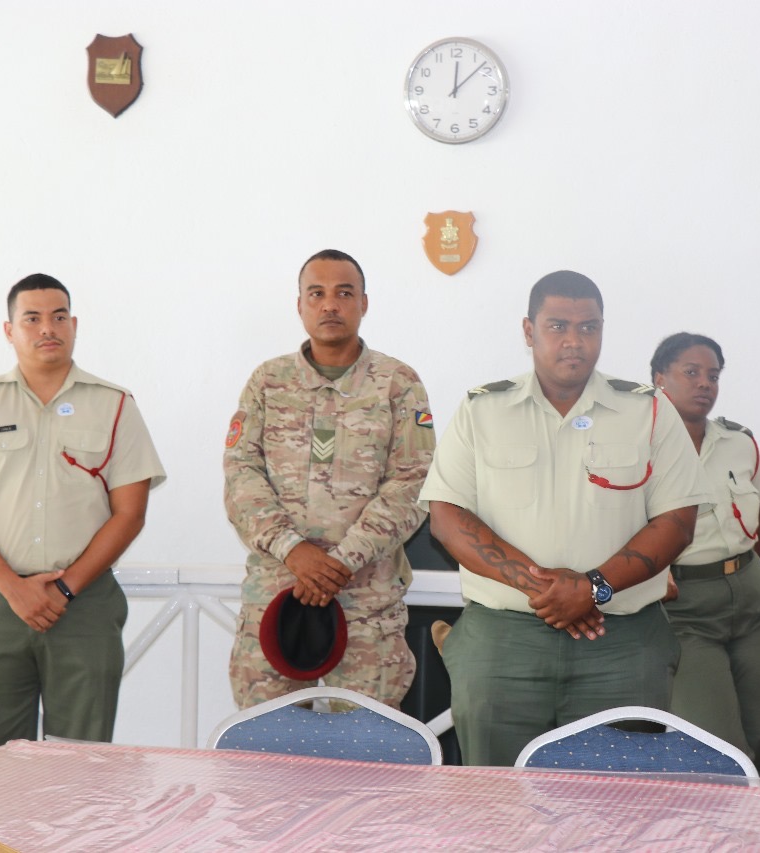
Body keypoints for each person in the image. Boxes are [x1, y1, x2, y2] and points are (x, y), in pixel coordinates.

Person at [420, 270, 712, 766]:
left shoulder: (649, 410)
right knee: (497, 796)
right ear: (529, 331)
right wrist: (552, 591)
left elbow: (678, 521)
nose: (574, 341)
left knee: (616, 799)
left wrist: (592, 588)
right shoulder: (482, 409)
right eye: (557, 326)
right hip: (504, 642)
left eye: (588, 327)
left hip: (620, 642)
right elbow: (446, 518)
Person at [0, 274, 165, 752]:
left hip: (83, 604)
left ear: (74, 325)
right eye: (31, 319)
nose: (47, 328)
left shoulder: (115, 405)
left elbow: (130, 513)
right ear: (9, 331)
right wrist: (14, 588)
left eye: (58, 317)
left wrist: (66, 587)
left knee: (81, 760)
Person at [224, 249, 435, 709]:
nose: (330, 305)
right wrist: (293, 550)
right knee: (265, 745)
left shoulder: (397, 383)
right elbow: (241, 476)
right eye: (316, 294)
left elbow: (413, 483)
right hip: (276, 596)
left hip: (367, 604)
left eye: (344, 293)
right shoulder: (268, 382)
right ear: (300, 305)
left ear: (364, 303)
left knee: (366, 748)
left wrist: (340, 563)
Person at [650, 332, 760, 778]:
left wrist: (747, 571)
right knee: (717, 745)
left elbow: (759, 513)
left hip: (753, 599)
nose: (704, 384)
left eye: (713, 375)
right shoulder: (636, 447)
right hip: (684, 606)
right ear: (660, 378)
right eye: (691, 372)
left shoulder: (738, 441)